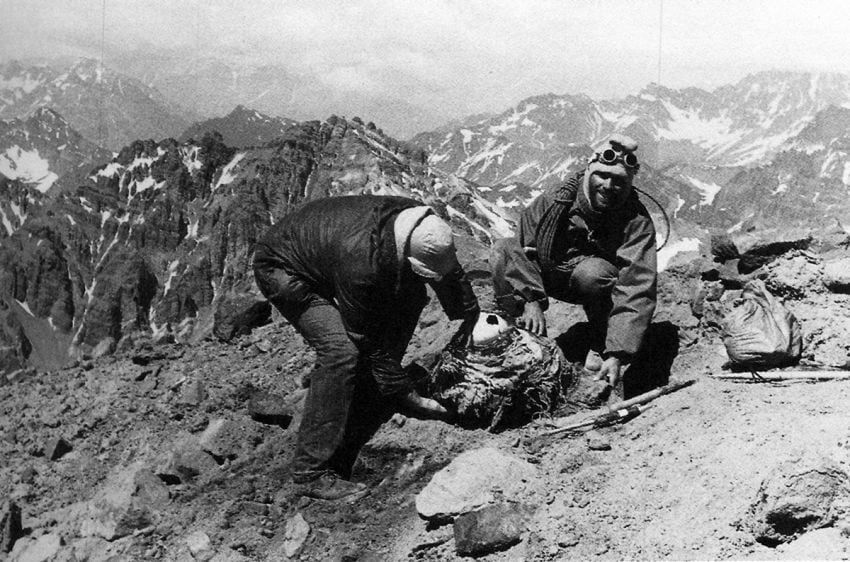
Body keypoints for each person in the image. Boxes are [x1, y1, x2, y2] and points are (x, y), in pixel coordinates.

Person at [253, 195, 480, 501]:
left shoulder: (420, 225)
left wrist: (471, 320)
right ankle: (310, 472)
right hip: (284, 269)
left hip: (325, 249)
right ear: (404, 251)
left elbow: (448, 272)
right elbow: (364, 335)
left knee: (412, 296)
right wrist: (404, 391)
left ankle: (374, 389)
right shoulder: (360, 265)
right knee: (341, 351)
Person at [490, 134, 657, 398]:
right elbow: (521, 250)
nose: (609, 186)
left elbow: (636, 285)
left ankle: (602, 339)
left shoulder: (636, 220)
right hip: (545, 275)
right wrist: (530, 299)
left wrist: (618, 352)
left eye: (619, 181)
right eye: (603, 176)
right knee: (502, 249)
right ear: (590, 172)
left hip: (588, 282)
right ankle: (515, 334)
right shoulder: (554, 201)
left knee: (594, 274)